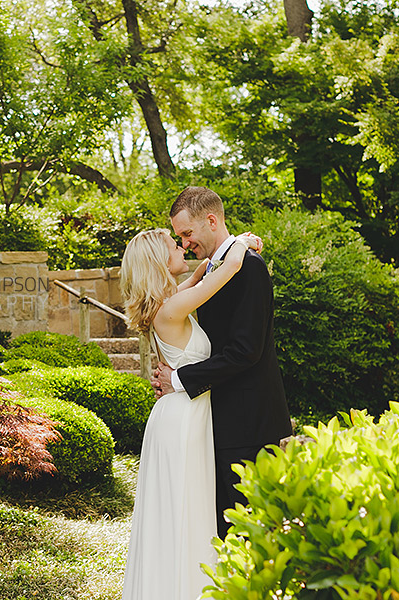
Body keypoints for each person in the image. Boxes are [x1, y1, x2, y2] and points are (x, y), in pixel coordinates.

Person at [119, 225, 262, 600]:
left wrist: (203, 267)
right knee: (184, 509)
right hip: (183, 419)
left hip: (182, 412)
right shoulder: (171, 308)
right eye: (173, 244)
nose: (183, 247)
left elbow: (202, 275)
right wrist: (241, 244)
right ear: (158, 260)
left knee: (185, 508)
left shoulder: (167, 302)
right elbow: (227, 270)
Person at [153, 185, 292, 540]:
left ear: (211, 221)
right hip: (221, 421)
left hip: (250, 426)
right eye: (179, 237)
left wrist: (179, 378)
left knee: (252, 534)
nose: (183, 243)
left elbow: (246, 350)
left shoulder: (248, 267)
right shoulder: (219, 267)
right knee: (226, 532)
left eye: (187, 233)